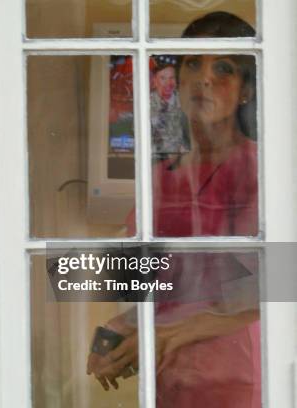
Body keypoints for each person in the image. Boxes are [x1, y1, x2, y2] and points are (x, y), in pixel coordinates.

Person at [87, 12, 261, 408]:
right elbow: (152, 285)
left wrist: (164, 334)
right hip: (171, 383)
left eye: (223, 67)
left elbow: (274, 290)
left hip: (242, 380)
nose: (204, 78)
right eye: (192, 63)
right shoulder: (158, 178)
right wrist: (116, 335)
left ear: (246, 89)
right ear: (177, 80)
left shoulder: (265, 172)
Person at [150, 55, 189, 156]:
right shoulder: (145, 103)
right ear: (154, 81)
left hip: (180, 157)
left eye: (172, 78)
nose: (169, 83)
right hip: (151, 158)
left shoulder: (185, 101)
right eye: (163, 78)